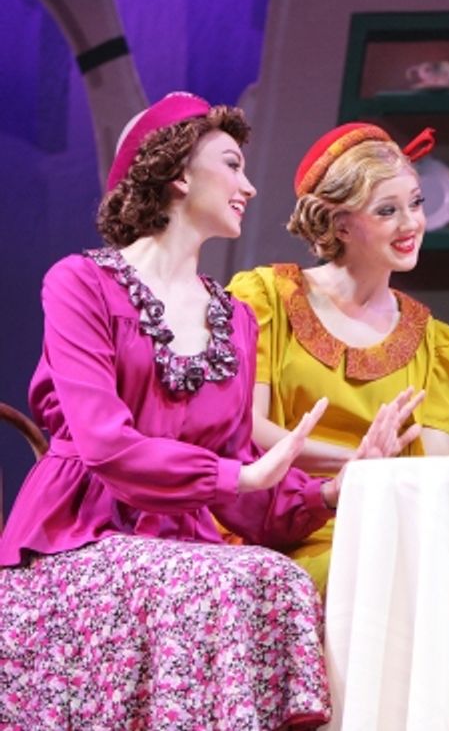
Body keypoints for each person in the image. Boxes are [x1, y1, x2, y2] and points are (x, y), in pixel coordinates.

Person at [0, 93, 414, 728]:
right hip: (78, 535)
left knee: (277, 581)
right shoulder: (80, 283)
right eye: (232, 164)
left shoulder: (235, 319)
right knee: (221, 584)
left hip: (183, 541)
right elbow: (105, 446)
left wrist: (336, 489)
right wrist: (236, 476)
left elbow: (241, 481)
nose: (249, 185)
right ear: (177, 172)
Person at [229, 122, 449, 595]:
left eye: (417, 203)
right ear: (340, 223)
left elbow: (434, 479)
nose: (412, 224)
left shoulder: (434, 342)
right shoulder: (265, 298)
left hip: (387, 530)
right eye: (388, 210)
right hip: (278, 529)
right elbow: (247, 428)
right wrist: (361, 464)